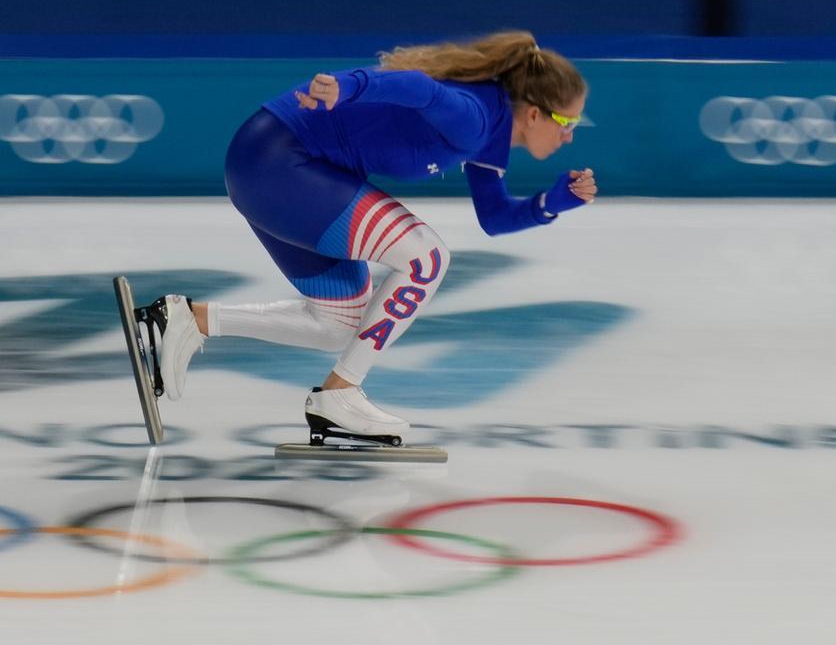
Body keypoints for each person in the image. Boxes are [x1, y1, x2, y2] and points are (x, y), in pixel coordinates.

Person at [153, 29, 596, 439]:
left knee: (338, 324)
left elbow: (495, 216)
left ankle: (188, 321)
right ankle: (340, 395)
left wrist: (550, 205)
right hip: (279, 162)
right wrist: (350, 86)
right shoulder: (476, 118)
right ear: (535, 113)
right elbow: (418, 87)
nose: (570, 137)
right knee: (427, 258)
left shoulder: (489, 133)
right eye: (568, 124)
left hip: (270, 167)